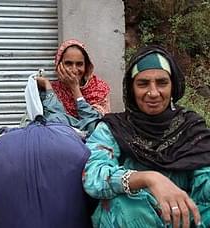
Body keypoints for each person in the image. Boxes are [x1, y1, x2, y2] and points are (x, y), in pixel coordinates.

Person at [83, 45, 210, 227]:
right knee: (125, 206)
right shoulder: (114, 128)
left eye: (162, 83)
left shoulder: (191, 127)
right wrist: (148, 179)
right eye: (143, 84)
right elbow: (93, 176)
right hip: (131, 219)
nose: (153, 93)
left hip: (180, 220)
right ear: (131, 89)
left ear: (173, 86)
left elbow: (204, 180)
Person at [36, 39, 110, 133]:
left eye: (79, 64)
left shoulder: (99, 89)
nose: (74, 70)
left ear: (86, 66)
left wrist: (75, 88)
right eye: (68, 63)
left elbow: (95, 127)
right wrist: (47, 86)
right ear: (59, 65)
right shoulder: (51, 91)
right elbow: (53, 125)